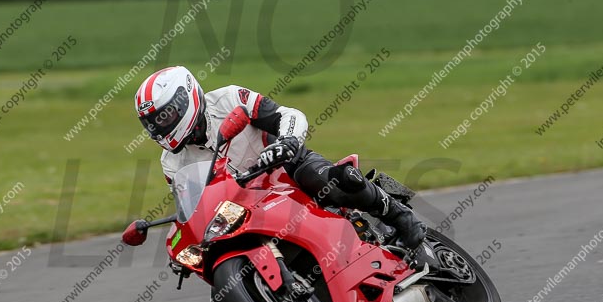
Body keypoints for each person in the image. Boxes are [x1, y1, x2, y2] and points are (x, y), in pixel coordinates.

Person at [132, 66, 426, 250]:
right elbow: (194, 207)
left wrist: (287, 142)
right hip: (244, 206)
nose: (159, 127)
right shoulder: (170, 163)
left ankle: (398, 214)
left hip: (284, 168)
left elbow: (286, 114)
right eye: (152, 123)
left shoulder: (228, 98)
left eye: (164, 116)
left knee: (332, 181)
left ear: (186, 98)